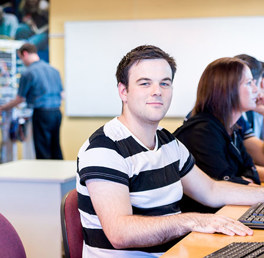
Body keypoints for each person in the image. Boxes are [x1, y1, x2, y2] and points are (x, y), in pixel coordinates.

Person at [77, 45, 264, 257]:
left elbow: (211, 190)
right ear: (123, 91)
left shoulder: (167, 141)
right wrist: (192, 220)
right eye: (145, 83)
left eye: (164, 83)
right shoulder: (105, 147)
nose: (157, 91)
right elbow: (120, 233)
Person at [174, 57, 264, 213]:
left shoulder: (232, 128)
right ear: (228, 89)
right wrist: (240, 182)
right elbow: (223, 184)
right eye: (250, 83)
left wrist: (242, 182)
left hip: (224, 213)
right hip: (201, 223)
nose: (256, 90)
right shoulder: (201, 131)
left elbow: (251, 171)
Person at [0, 43, 63, 160]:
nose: (22, 62)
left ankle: (46, 177)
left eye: (21, 58)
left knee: (43, 150)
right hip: (57, 113)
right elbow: (62, 94)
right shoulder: (54, 70)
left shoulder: (28, 72)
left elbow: (20, 99)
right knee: (56, 147)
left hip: (42, 114)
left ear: (24, 53)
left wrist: (0, 108)